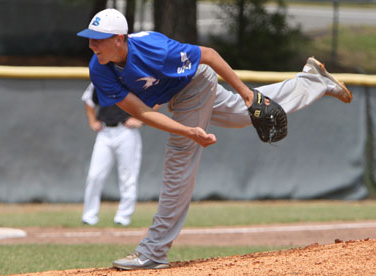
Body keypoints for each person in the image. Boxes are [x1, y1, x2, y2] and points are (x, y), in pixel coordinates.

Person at [77, 8, 352, 270]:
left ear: (119, 39)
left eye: (98, 40)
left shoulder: (155, 50)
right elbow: (141, 112)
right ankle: (313, 81)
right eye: (90, 39)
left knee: (178, 161)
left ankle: (153, 252)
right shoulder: (99, 68)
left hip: (195, 83)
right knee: (243, 116)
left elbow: (208, 55)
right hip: (177, 96)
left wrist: (245, 92)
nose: (92, 45)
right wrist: (187, 130)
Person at [81, 82, 143, 227]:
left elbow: (155, 99)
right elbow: (89, 100)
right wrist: (92, 121)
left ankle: (123, 217)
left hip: (126, 131)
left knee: (128, 175)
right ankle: (89, 216)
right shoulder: (101, 75)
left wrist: (140, 119)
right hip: (105, 131)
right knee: (94, 175)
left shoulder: (133, 75)